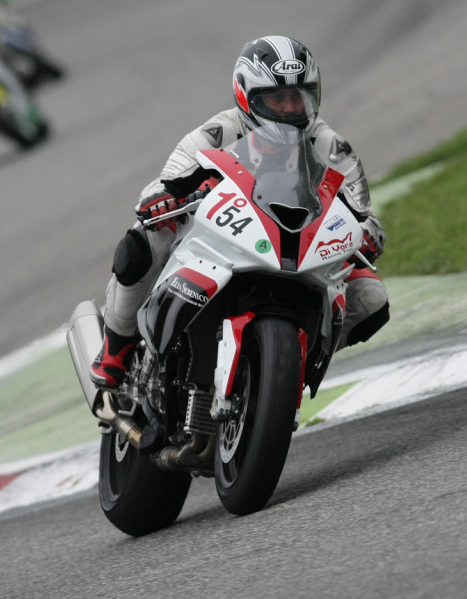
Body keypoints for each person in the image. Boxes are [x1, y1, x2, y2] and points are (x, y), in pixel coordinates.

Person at [90, 36, 390, 389]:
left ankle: (292, 363)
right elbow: (166, 183)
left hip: (299, 243)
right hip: (221, 232)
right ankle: (116, 346)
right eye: (276, 98)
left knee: (372, 298)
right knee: (143, 242)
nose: (289, 108)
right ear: (247, 97)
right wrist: (161, 199)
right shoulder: (218, 131)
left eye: (299, 96)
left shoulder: (331, 146)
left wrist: (368, 234)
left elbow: (363, 215)